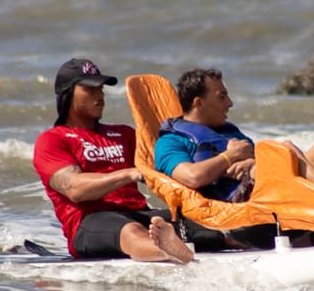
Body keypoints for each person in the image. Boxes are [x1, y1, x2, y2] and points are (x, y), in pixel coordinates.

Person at [32, 57, 197, 264]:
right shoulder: (53, 139)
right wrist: (129, 173)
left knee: (200, 222)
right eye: (90, 89)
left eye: (101, 88)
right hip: (89, 221)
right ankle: (167, 250)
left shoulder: (124, 134)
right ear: (67, 93)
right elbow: (75, 189)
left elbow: (164, 168)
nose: (100, 95)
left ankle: (227, 241)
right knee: (131, 231)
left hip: (138, 213)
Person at [154, 67, 314, 200]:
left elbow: (257, 162)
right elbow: (192, 177)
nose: (230, 103)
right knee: (287, 149)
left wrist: (251, 160)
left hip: (262, 184)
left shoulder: (228, 131)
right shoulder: (171, 142)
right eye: (222, 97)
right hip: (236, 202)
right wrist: (229, 157)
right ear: (199, 103)